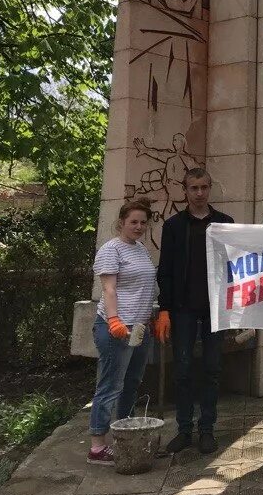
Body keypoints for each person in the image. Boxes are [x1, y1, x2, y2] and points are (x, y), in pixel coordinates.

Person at [155, 168, 234, 455]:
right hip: (183, 309)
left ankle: (207, 430)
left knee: (212, 370)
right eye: (193, 188)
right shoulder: (174, 226)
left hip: (215, 309)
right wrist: (164, 309)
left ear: (210, 188)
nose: (199, 193)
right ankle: (185, 430)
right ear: (185, 191)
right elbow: (164, 271)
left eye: (203, 187)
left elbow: (234, 268)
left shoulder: (225, 223)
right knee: (183, 369)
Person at [87, 199, 157, 465]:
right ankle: (97, 446)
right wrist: (115, 320)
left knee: (132, 383)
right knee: (110, 385)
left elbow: (146, 285)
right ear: (121, 223)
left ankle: (125, 434)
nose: (138, 227)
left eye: (142, 222)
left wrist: (157, 314)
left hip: (139, 327)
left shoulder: (141, 249)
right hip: (116, 328)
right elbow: (109, 289)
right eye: (133, 222)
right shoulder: (111, 249)